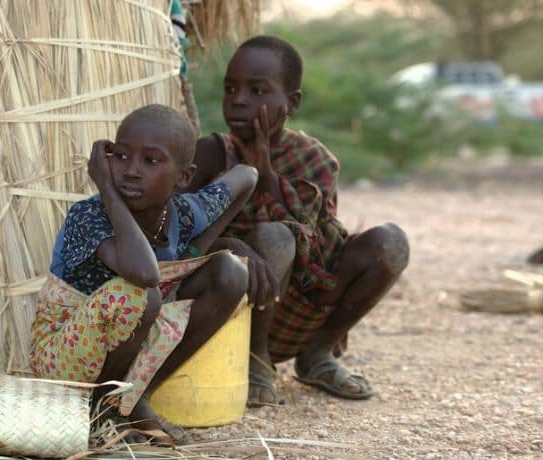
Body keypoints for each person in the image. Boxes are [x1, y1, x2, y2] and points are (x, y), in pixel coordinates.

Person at [186, 36, 410, 405]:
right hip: (232, 310)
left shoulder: (315, 159)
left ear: (291, 102)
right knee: (274, 237)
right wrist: (233, 244)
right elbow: (180, 242)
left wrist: (266, 176)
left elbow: (316, 242)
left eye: (257, 90)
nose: (239, 99)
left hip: (302, 309)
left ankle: (317, 355)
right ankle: (256, 360)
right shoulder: (210, 154)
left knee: (392, 242)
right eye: (231, 88)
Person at [30, 104, 257, 442]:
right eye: (121, 157)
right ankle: (101, 410)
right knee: (142, 295)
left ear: (184, 177)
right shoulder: (89, 216)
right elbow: (144, 274)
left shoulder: (183, 213)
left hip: (127, 338)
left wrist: (196, 248)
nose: (132, 171)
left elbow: (247, 176)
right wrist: (107, 189)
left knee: (230, 273)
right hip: (62, 356)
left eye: (151, 161)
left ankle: (135, 398)